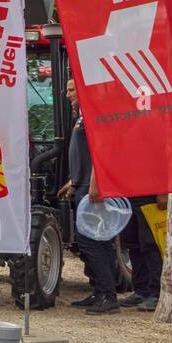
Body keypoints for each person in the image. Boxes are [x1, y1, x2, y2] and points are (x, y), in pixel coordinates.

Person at [56, 78, 119, 315]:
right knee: (92, 241)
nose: (67, 93)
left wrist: (96, 182)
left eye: (72, 89)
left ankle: (108, 297)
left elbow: (102, 149)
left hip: (93, 189)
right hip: (82, 185)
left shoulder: (94, 113)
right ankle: (100, 292)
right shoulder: (81, 116)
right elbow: (84, 153)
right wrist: (73, 180)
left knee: (91, 241)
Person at [119, 193, 164, 311]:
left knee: (151, 245)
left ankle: (156, 293)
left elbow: (168, 173)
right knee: (133, 245)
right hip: (129, 197)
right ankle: (141, 291)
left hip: (150, 197)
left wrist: (164, 192)